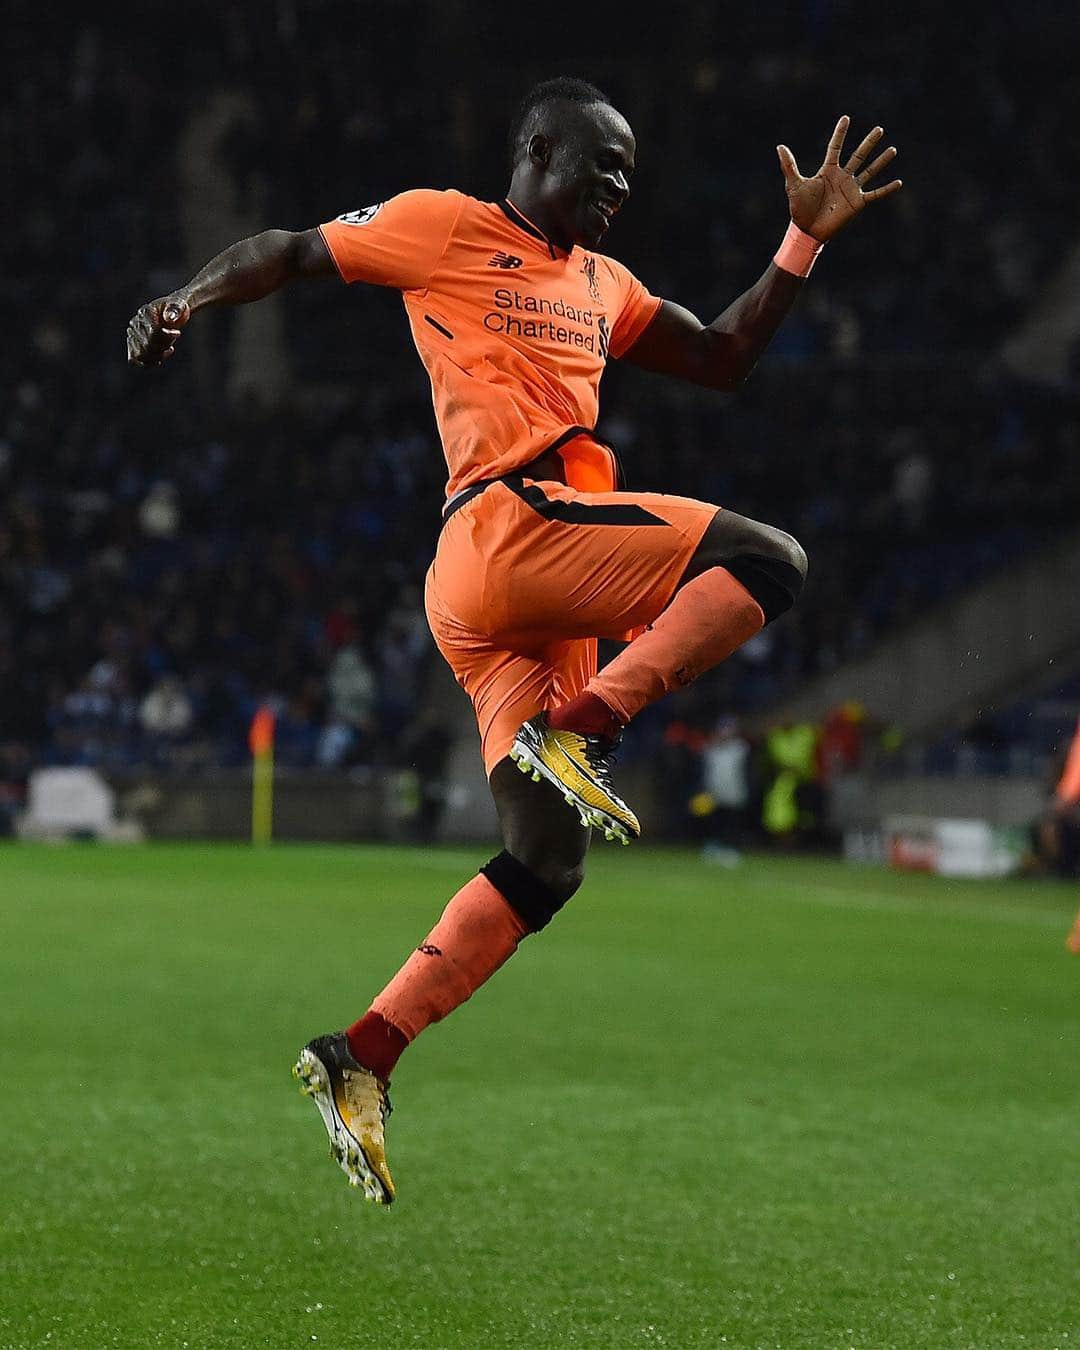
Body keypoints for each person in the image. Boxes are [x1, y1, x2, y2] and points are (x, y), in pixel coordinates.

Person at [127, 77, 901, 1203]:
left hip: (513, 597)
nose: (620, 189)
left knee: (548, 859)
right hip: (510, 522)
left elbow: (724, 356)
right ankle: (586, 730)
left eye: (631, 174)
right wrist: (187, 299)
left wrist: (801, 239)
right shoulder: (444, 227)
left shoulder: (603, 284)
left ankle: (363, 1056)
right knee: (770, 560)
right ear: (536, 148)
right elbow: (294, 250)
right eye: (604, 165)